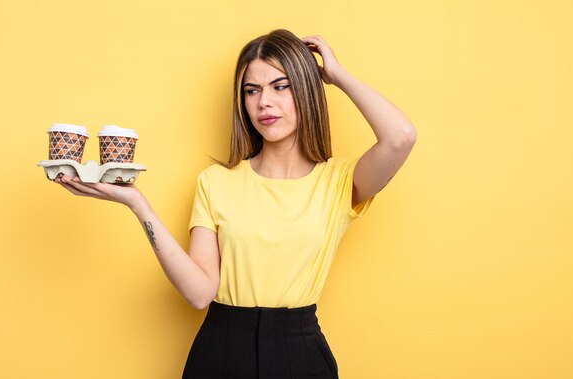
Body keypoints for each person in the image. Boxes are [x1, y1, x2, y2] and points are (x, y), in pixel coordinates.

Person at [55, 29, 416, 378]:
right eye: (251, 91)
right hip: (220, 349)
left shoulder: (339, 182)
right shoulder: (216, 182)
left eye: (281, 86)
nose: (264, 103)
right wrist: (138, 205)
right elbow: (199, 294)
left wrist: (336, 75)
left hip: (301, 351)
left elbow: (400, 136)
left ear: (306, 89)